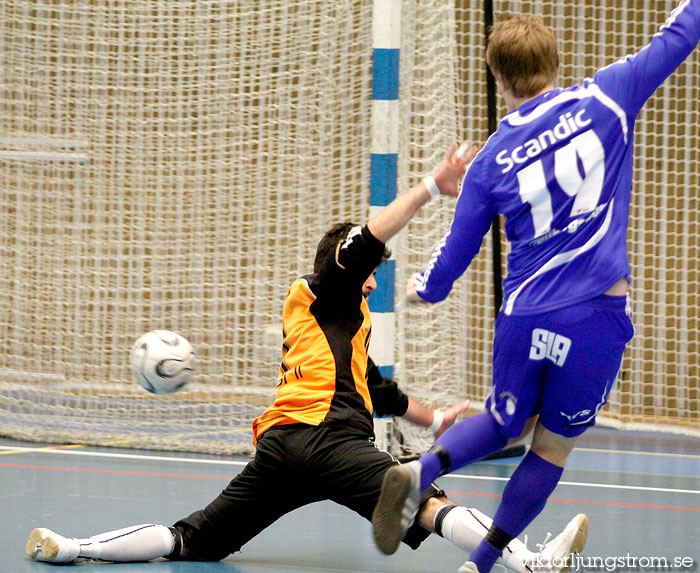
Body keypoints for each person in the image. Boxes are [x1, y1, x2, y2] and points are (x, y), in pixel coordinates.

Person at [26, 143, 583, 572]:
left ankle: (70, 547)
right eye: (368, 273)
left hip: (285, 446)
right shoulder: (327, 289)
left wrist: (435, 419)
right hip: (334, 441)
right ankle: (529, 562)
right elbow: (364, 242)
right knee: (423, 504)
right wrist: (429, 189)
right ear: (345, 266)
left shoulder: (336, 324)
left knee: (193, 538)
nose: (371, 284)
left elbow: (375, 389)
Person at [371, 3, 700, 572]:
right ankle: (480, 563)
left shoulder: (490, 161)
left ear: (497, 80)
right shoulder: (608, 96)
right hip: (595, 316)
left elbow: (451, 260)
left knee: (505, 422)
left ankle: (421, 471)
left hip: (525, 318)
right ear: (555, 61)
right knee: (550, 446)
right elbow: (680, 34)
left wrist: (422, 291)